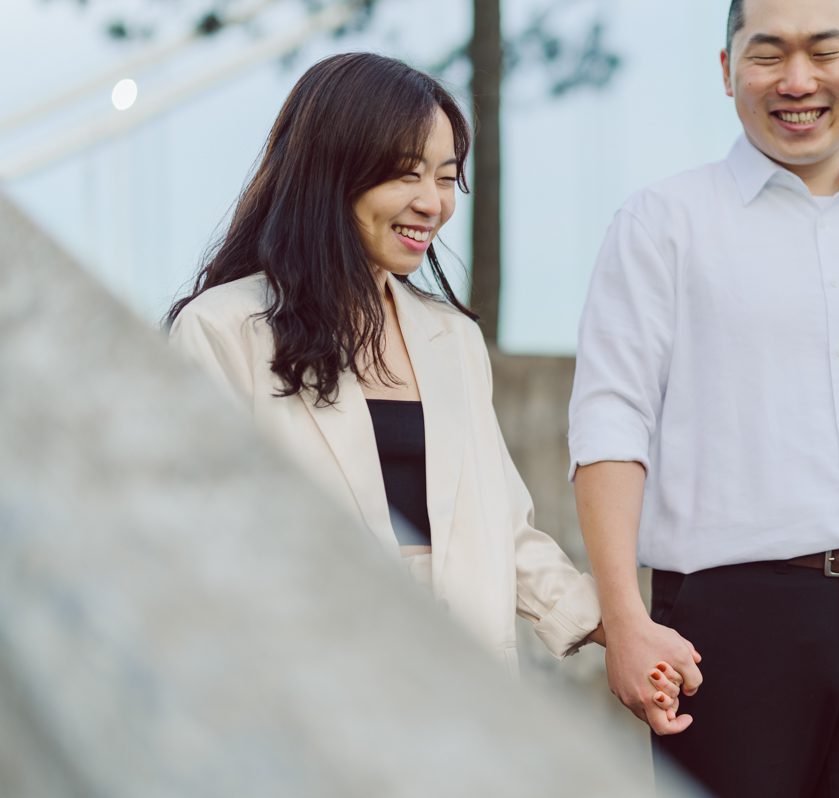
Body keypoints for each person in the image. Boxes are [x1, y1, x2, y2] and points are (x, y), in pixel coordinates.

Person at [569, 0, 839, 794]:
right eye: (768, 53)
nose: (797, 81)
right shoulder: (662, 223)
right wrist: (626, 619)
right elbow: (610, 422)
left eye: (825, 51)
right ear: (726, 69)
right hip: (731, 630)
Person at [167, 52, 614, 679]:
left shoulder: (453, 338)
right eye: (406, 174)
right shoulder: (223, 330)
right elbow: (202, 538)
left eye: (446, 178)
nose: (432, 203)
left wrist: (616, 626)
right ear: (331, 173)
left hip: (464, 681)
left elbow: (504, 531)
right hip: (313, 683)